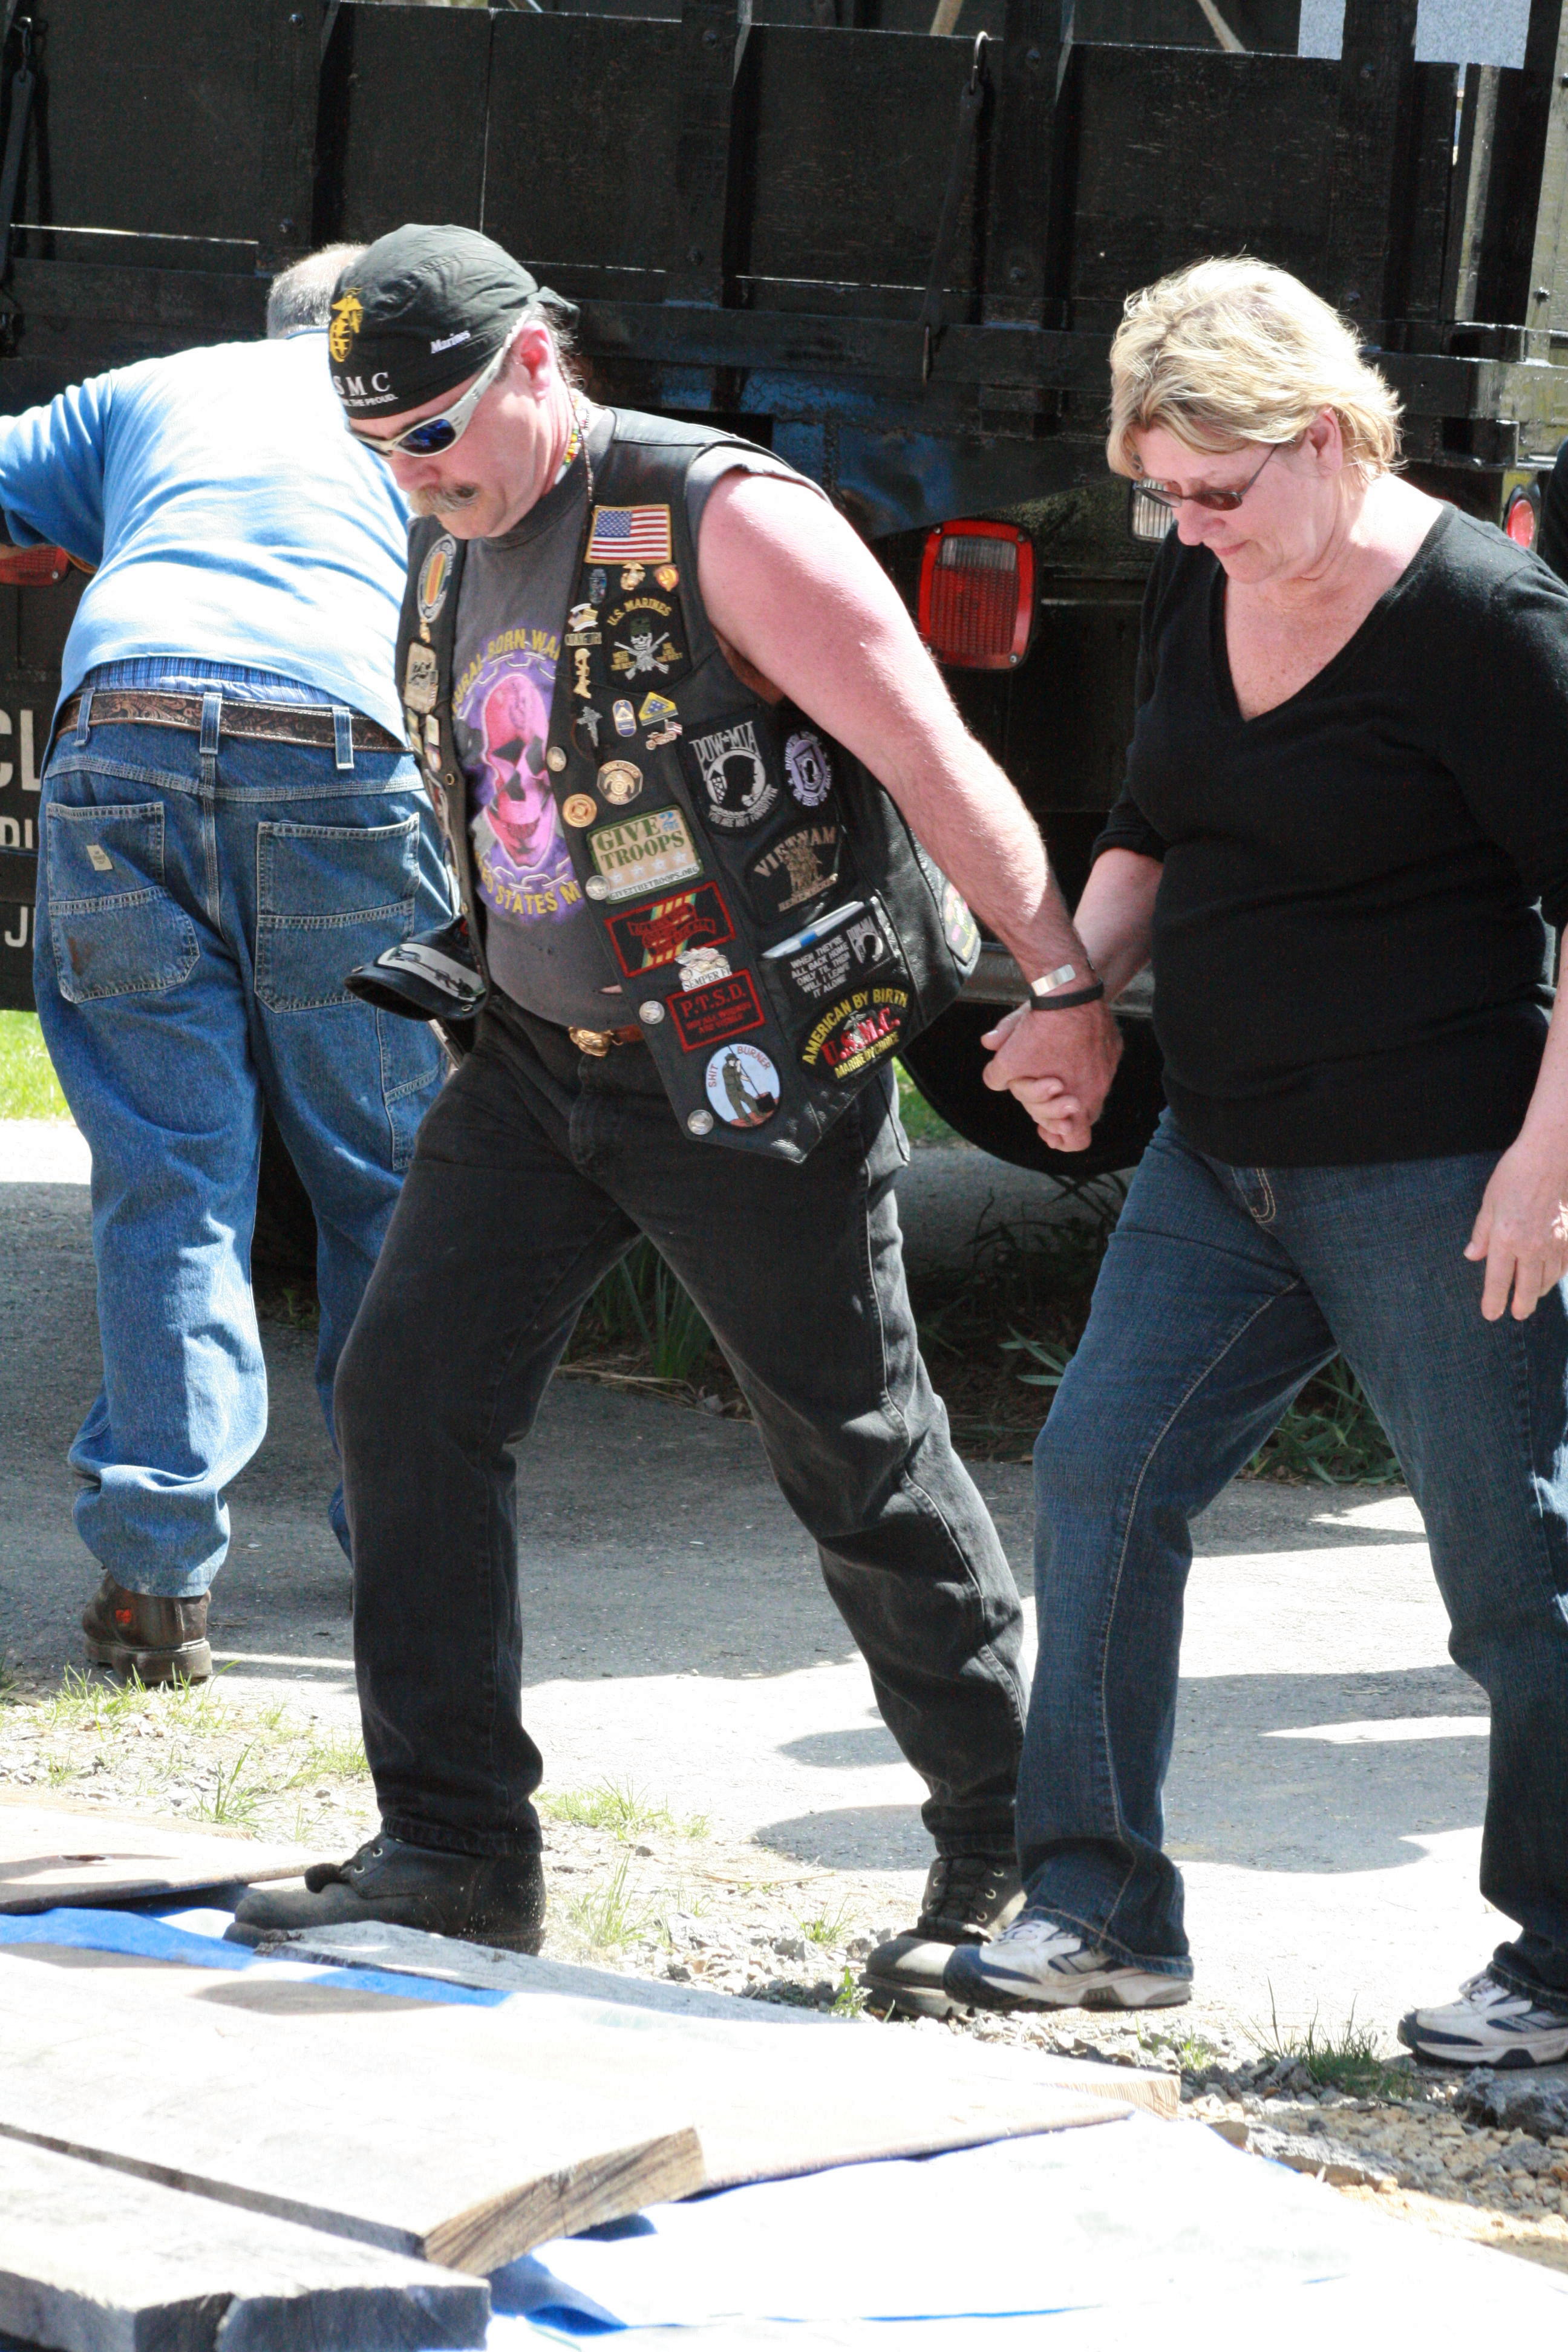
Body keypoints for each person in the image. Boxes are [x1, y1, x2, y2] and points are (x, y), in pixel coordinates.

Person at [232, 223, 1118, 1968]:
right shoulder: (455, 527)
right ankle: (455, 1847)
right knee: (407, 1398)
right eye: (380, 445)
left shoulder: (725, 517)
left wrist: (1068, 991)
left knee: (852, 1447)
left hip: (748, 1073)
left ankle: (1017, 1849)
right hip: (532, 1067)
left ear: (537, 365)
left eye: (435, 430)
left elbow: (933, 758)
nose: (415, 471)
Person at [945, 256, 1568, 2069]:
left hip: (1436, 1165)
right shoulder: (1204, 583)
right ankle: (1101, 1911)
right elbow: (1154, 817)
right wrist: (1074, 991)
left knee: (1516, 1578)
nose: (1189, 527)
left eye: (1214, 492)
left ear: (1321, 437)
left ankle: (1556, 1971)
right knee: (1102, 1479)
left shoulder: (1491, 616)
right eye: (1163, 496)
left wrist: (1546, 1161)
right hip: (1223, 1158)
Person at [11, 247, 452, 1685]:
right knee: (388, 1173)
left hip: (120, 730)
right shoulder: (419, 402)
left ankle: (153, 1583)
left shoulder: (159, 390)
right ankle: (405, 1545)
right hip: (334, 751)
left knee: (168, 1170)